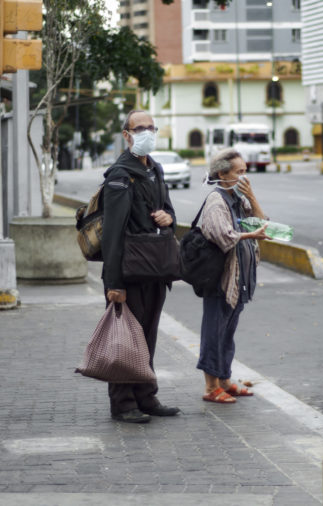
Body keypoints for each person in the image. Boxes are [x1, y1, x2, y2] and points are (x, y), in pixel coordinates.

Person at [101, 110, 181, 423]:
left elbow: (169, 210)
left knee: (147, 337)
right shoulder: (120, 174)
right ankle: (122, 403)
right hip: (129, 271)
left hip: (155, 268)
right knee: (125, 340)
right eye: (140, 128)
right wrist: (114, 283)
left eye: (151, 127)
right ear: (126, 134)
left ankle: (146, 396)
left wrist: (168, 217)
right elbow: (112, 233)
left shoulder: (155, 169)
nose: (147, 132)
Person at [198, 148, 270, 403]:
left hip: (240, 279)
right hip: (221, 279)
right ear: (222, 174)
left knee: (228, 332)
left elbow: (262, 223)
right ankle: (210, 388)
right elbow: (223, 237)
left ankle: (225, 379)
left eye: (245, 172)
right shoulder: (216, 200)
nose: (244, 177)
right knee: (214, 332)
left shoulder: (238, 198)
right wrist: (251, 235)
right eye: (239, 172)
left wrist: (252, 197)